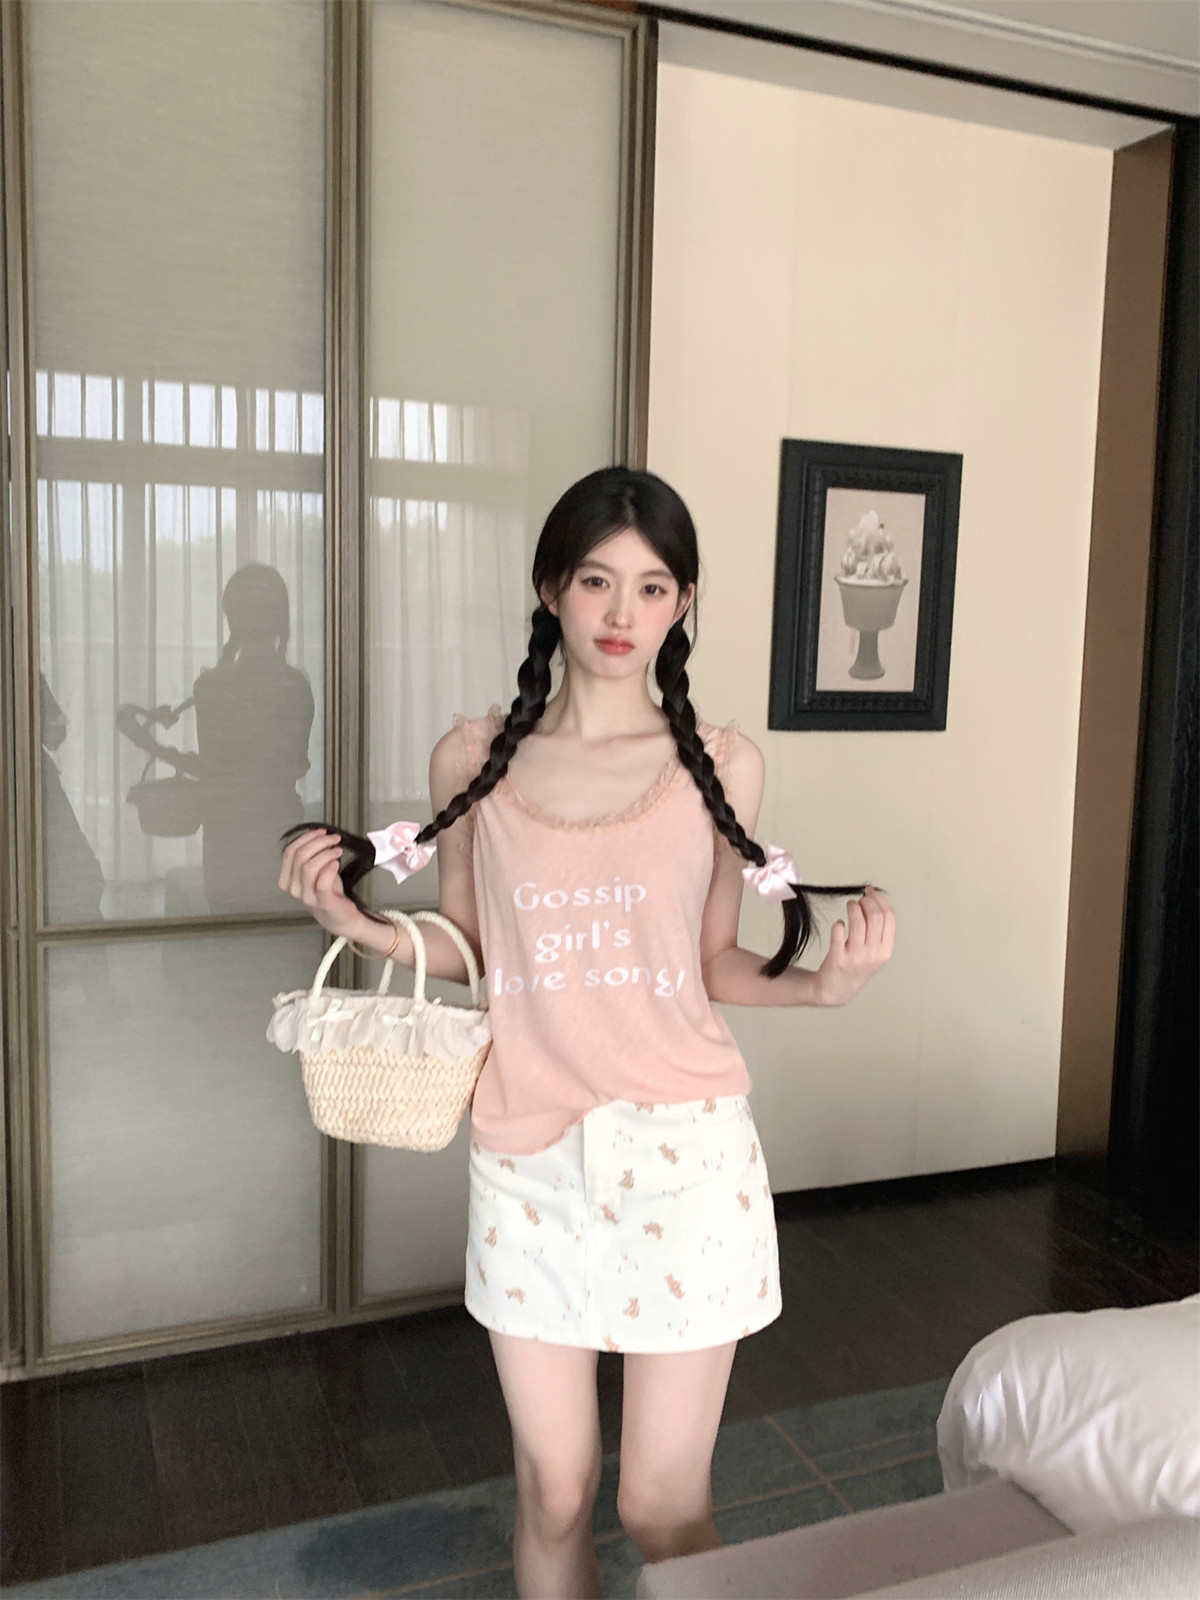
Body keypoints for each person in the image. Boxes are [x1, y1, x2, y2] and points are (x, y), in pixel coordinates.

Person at [277, 466, 895, 1599]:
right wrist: (358, 925)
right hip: (528, 1163)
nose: (623, 614)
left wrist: (825, 990)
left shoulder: (721, 763)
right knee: (554, 1491)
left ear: (683, 603)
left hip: (685, 1160)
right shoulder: (475, 758)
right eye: (598, 581)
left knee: (661, 1503)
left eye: (653, 588)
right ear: (550, 587)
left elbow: (711, 960)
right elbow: (476, 951)